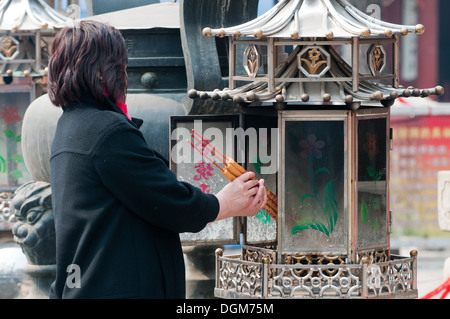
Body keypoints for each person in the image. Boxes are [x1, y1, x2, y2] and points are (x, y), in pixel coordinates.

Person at [47, 20, 267, 299]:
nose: (124, 75)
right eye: (120, 67)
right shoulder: (107, 132)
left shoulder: (70, 126)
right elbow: (165, 200)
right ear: (103, 72)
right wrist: (224, 203)